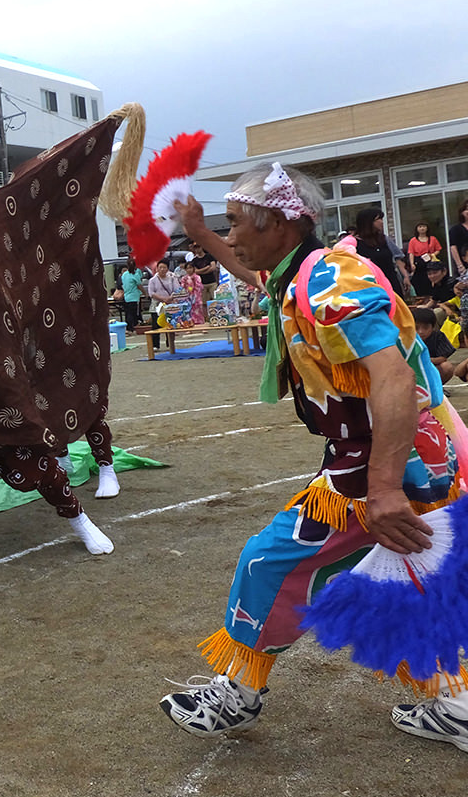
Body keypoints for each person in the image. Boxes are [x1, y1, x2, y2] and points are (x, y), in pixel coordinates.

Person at [165, 162, 467, 748]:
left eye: (234, 224)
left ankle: (237, 693)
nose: (230, 239)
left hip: (388, 460)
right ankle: (456, 705)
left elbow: (395, 379)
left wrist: (381, 489)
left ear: (278, 222)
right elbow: (255, 278)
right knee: (406, 578)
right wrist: (199, 233)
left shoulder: (329, 283)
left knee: (270, 559)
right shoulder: (300, 273)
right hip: (412, 452)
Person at [352, 207, 407, 297]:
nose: (382, 222)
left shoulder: (383, 239)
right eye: (378, 219)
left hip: (391, 285)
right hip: (372, 289)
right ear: (368, 222)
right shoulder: (355, 243)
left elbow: (397, 258)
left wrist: (405, 276)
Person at [411, 307, 456, 385]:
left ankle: (437, 387)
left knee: (447, 367)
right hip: (412, 369)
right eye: (416, 328)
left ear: (433, 327)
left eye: (425, 328)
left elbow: (443, 358)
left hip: (431, 367)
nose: (421, 331)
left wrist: (425, 360)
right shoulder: (407, 338)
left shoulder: (438, 336)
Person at [147, 260, 184, 349]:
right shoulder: (153, 280)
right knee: (156, 325)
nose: (162, 269)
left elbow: (177, 289)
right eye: (160, 267)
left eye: (164, 267)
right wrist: (163, 299)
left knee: (170, 323)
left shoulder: (172, 278)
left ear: (167, 269)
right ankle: (156, 345)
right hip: (157, 305)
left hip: (170, 304)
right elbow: (151, 293)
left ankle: (170, 344)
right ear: (157, 269)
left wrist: (170, 298)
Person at [406, 222, 443, 297]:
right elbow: (411, 253)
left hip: (430, 261)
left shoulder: (433, 239)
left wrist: (432, 255)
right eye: (420, 227)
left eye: (424, 226)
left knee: (431, 278)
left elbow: (438, 249)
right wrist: (412, 263)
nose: (422, 228)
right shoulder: (413, 240)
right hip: (419, 262)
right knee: (418, 280)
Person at [120, 260, 145, 329]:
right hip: (134, 296)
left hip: (126, 296)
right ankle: (132, 327)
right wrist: (145, 293)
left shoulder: (124, 274)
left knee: (128, 313)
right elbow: (139, 285)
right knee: (134, 313)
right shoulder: (135, 275)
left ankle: (128, 327)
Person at [180, 261, 205, 325]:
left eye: (190, 268)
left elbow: (199, 287)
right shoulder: (184, 278)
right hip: (187, 297)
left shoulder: (197, 277)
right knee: (188, 312)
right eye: (187, 268)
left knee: (199, 312)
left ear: (193, 268)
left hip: (197, 297)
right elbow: (182, 288)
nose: (189, 270)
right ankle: (189, 326)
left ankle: (202, 326)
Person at [449, 200, 468, 278]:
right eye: (466, 208)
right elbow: (453, 247)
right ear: (462, 212)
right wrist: (460, 265)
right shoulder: (456, 229)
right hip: (463, 265)